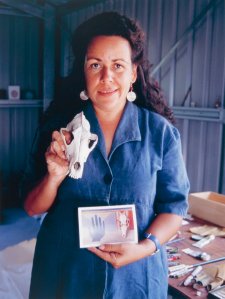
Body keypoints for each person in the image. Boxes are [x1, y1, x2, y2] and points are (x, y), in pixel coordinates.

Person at [22, 11, 190, 299]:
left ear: (134, 73)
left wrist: (145, 246)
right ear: (84, 72)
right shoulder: (59, 131)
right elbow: (32, 208)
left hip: (135, 278)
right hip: (66, 273)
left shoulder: (160, 134)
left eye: (118, 65)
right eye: (95, 64)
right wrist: (54, 177)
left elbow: (174, 208)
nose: (106, 77)